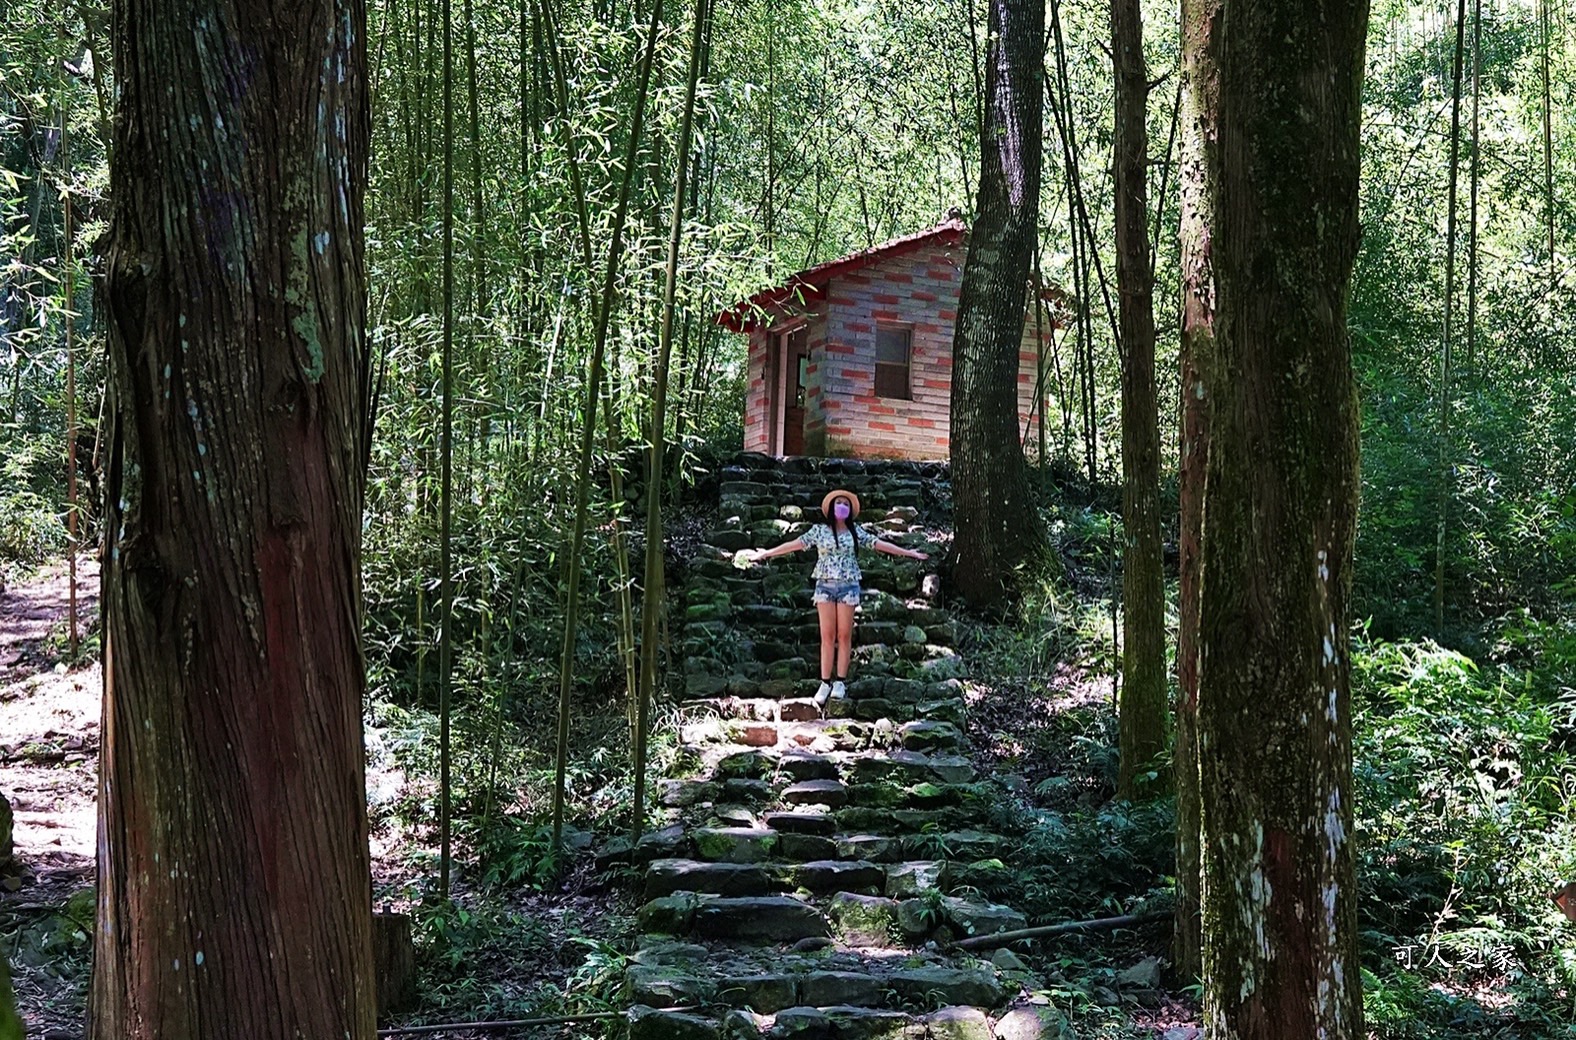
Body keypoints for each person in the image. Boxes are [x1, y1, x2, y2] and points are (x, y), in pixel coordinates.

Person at [739, 489, 929, 708]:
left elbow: (880, 544)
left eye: (845, 504)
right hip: (824, 586)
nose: (842, 507)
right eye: (838, 503)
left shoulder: (856, 532)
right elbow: (794, 545)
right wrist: (765, 554)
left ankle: (840, 682)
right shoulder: (819, 531)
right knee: (827, 636)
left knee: (844, 635)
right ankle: (825, 683)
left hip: (848, 586)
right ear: (831, 508)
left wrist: (910, 553)